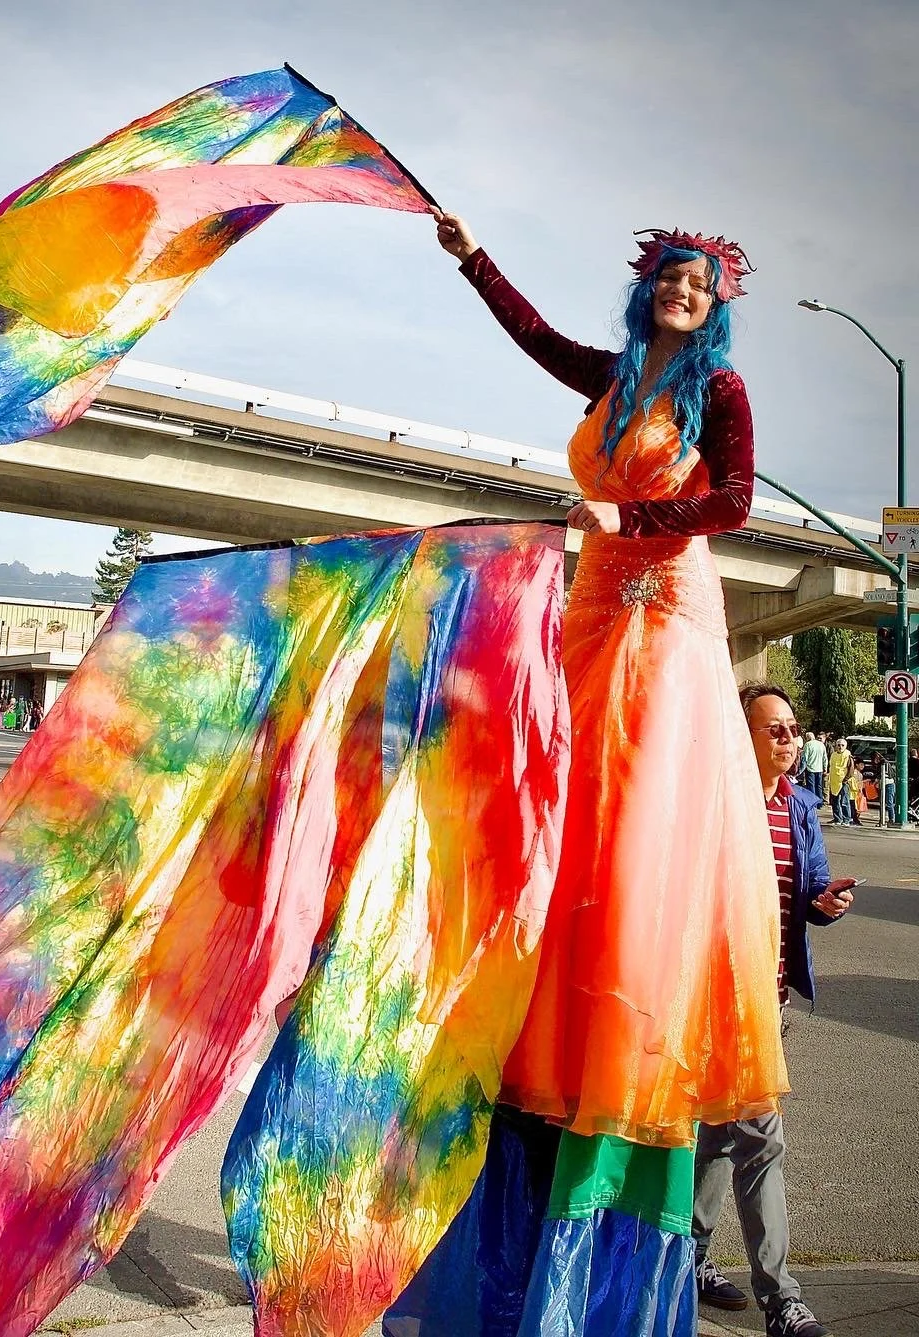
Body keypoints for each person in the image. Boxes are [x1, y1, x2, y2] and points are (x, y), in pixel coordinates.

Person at [389, 215, 786, 1332]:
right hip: (592, 611)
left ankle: (620, 1066)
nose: (685, 295)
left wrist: (633, 513)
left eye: (702, 287)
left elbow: (733, 503)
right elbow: (529, 335)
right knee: (563, 833)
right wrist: (470, 255)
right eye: (671, 280)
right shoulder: (611, 377)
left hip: (664, 618)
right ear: (647, 289)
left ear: (717, 304)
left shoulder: (724, 390)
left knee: (643, 845)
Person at [693, 683, 853, 1337]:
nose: (788, 740)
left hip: (768, 1003)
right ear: (743, 735)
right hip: (711, 1006)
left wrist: (826, 902)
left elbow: (809, 887)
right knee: (759, 1141)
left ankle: (689, 1263)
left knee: (716, 1139)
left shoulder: (801, 808)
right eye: (775, 730)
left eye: (792, 728)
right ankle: (780, 1297)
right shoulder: (717, 808)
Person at [826, 738, 854, 826]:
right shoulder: (833, 755)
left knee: (844, 801)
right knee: (835, 801)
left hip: (844, 782)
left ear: (845, 746)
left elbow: (851, 769)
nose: (840, 747)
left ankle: (847, 819)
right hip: (834, 781)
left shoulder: (848, 755)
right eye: (838, 745)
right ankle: (837, 818)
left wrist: (845, 780)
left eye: (842, 745)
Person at [800, 731, 826, 799]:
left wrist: (800, 770)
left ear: (807, 738)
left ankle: (813, 801)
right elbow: (825, 758)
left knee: (811, 786)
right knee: (819, 786)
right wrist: (825, 768)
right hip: (820, 769)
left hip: (810, 769)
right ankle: (819, 802)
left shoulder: (807, 745)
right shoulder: (821, 744)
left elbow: (805, 759)